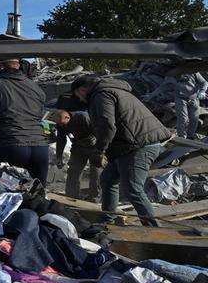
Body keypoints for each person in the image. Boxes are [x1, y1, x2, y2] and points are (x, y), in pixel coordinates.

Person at [73, 74, 172, 226]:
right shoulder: (113, 90)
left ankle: (153, 228)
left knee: (133, 188)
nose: (79, 99)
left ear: (83, 89)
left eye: (77, 95)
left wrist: (100, 150)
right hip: (128, 146)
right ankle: (107, 219)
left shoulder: (101, 94)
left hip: (137, 145)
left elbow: (107, 124)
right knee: (108, 179)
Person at [54, 109, 101, 201]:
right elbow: (61, 140)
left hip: (94, 146)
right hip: (79, 146)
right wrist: (59, 157)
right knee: (73, 171)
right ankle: (71, 195)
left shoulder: (83, 117)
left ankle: (94, 196)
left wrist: (98, 142)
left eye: (62, 124)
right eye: (59, 124)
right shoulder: (60, 124)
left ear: (67, 117)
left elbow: (99, 130)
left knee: (95, 172)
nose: (61, 126)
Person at [52, 89, 85, 169]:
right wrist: (59, 157)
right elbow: (61, 138)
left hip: (92, 145)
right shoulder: (63, 120)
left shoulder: (85, 118)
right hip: (78, 145)